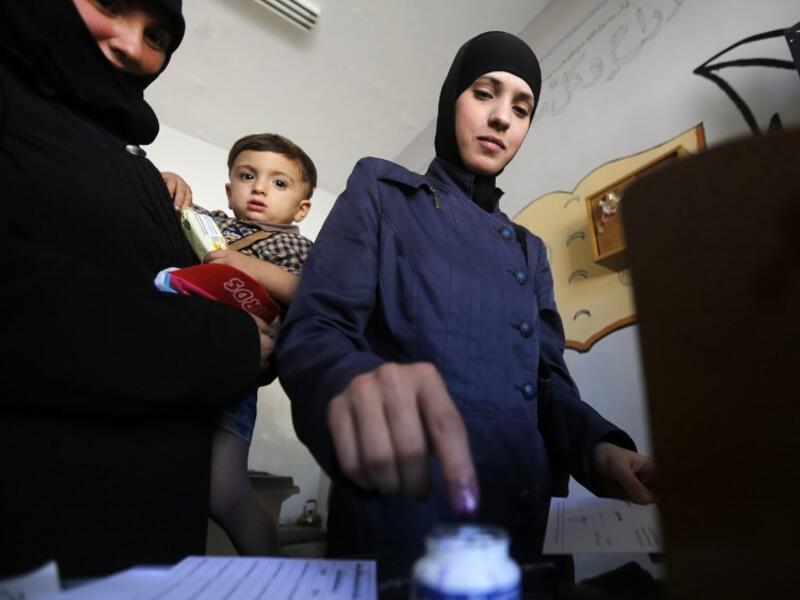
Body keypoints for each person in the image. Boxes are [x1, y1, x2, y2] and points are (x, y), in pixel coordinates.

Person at [276, 31, 655, 567]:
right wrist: (358, 392)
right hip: (405, 518)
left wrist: (600, 450)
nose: (502, 117)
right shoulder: (382, 193)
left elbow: (546, 381)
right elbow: (316, 330)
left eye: (521, 108)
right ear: (451, 97)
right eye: (484, 93)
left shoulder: (530, 251)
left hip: (521, 528)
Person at [0, 0, 274, 577]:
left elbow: (171, 284)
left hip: (152, 555)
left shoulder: (129, 159)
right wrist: (230, 343)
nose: (132, 46)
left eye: (157, 35)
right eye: (108, 4)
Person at [163, 133, 316, 554]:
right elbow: (170, 214)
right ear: (230, 189)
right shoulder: (212, 223)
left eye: (279, 183)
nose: (261, 188)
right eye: (247, 176)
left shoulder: (297, 246)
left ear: (302, 208)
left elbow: (310, 293)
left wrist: (244, 265)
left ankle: (268, 572)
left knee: (224, 493)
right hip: (185, 357)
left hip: (239, 375)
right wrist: (169, 182)